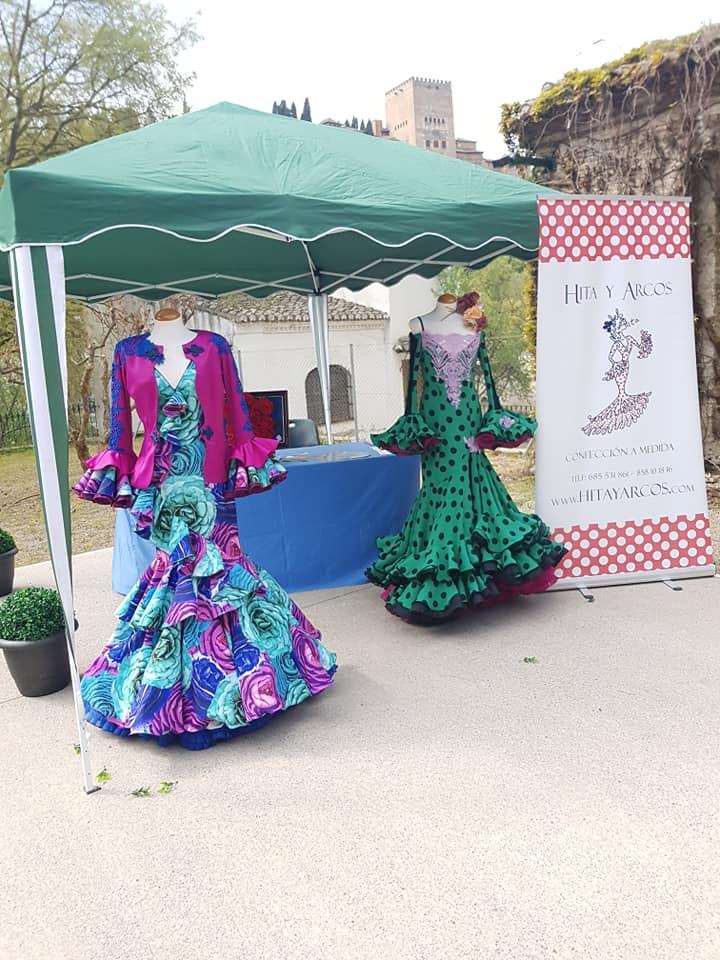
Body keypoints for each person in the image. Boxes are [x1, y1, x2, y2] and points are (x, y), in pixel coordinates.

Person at [74, 299, 336, 748]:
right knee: (173, 577)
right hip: (161, 482)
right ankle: (170, 695)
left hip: (211, 478)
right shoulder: (126, 351)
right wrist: (119, 469)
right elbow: (119, 426)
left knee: (223, 572)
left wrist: (246, 458)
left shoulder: (215, 346)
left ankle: (244, 687)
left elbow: (236, 412)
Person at [367, 292, 566, 623]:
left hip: (469, 417)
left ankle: (476, 577)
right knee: (442, 487)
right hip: (436, 422)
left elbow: (486, 373)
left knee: (472, 481)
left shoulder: (474, 324)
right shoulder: (417, 324)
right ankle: (446, 575)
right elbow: (413, 381)